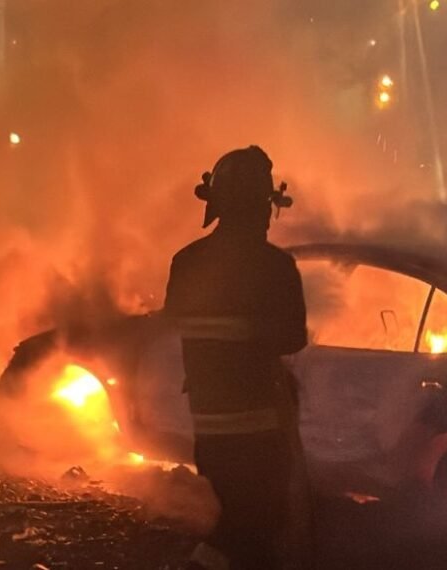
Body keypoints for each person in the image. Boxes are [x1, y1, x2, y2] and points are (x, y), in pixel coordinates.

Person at [164, 146, 309, 570]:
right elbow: (292, 339)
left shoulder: (185, 262)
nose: (268, 216)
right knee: (259, 529)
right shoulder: (276, 267)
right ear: (256, 206)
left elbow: (177, 322)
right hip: (261, 427)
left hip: (208, 425)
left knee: (231, 519)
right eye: (265, 205)